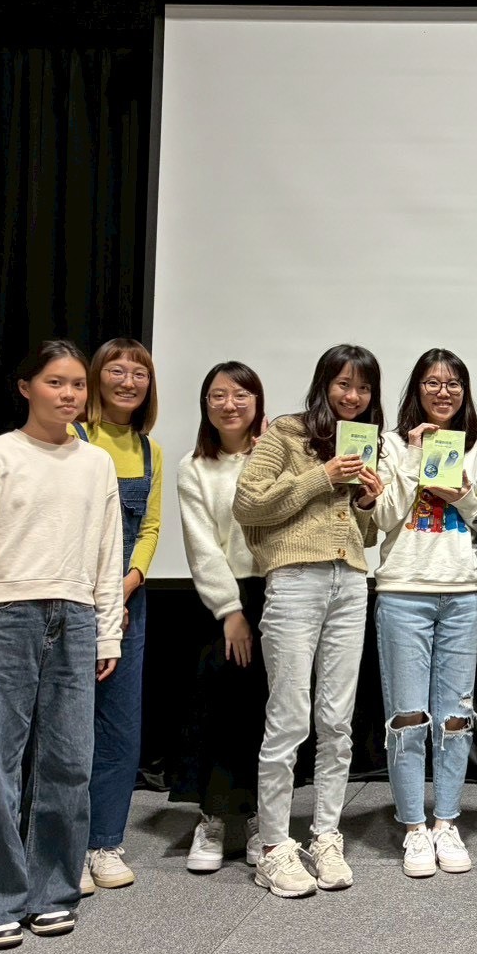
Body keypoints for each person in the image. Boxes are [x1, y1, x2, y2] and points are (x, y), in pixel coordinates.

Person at [0, 340, 123, 948]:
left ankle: (52, 892)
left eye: (77, 384)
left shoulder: (96, 463)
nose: (69, 394)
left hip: (76, 617)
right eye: (55, 382)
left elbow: (108, 554)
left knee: (69, 763)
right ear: (26, 388)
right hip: (1, 618)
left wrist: (107, 629)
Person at [233, 344, 384, 898]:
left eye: (363, 387)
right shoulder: (286, 433)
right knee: (289, 718)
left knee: (337, 721)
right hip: (295, 581)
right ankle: (274, 845)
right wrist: (322, 475)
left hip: (351, 582)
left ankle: (325, 835)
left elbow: (364, 535)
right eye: (344, 384)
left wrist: (366, 504)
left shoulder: (363, 441)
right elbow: (248, 504)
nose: (353, 396)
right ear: (324, 385)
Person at [373, 349, 477, 878]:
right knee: (407, 715)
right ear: (416, 390)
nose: (443, 392)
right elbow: (381, 519)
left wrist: (461, 493)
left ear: (465, 392)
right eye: (432, 383)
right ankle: (412, 827)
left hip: (465, 591)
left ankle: (446, 820)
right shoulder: (390, 444)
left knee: (456, 716)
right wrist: (412, 458)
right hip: (403, 590)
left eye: (453, 384)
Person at [73, 337, 164, 894]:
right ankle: (63, 844)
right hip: (73, 595)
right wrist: (100, 596)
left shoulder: (150, 450)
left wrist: (125, 590)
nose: (129, 381)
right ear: (95, 377)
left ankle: (104, 843)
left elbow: (149, 529)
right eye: (117, 370)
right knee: (68, 725)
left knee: (119, 727)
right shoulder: (72, 438)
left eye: (140, 373)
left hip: (129, 601)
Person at [176, 361, 269, 874]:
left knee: (267, 711)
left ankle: (258, 818)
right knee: (217, 708)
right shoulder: (194, 467)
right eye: (218, 395)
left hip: (276, 591)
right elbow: (202, 545)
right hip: (223, 600)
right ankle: (211, 818)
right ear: (205, 404)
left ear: (257, 401)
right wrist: (231, 611)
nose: (229, 404)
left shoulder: (275, 455)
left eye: (240, 395)